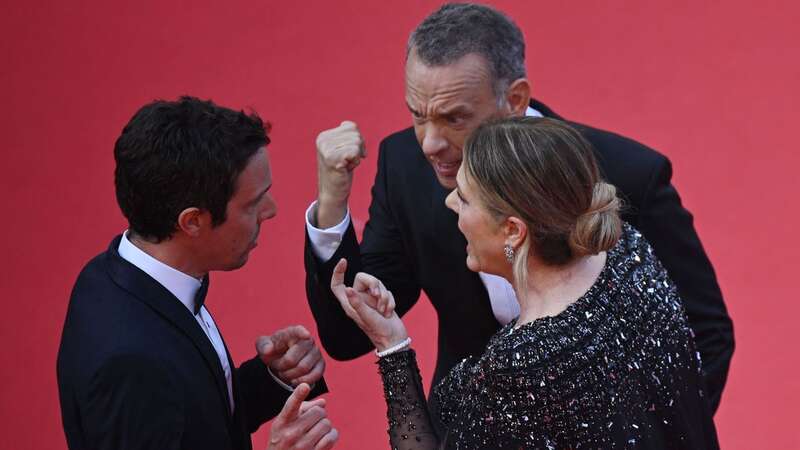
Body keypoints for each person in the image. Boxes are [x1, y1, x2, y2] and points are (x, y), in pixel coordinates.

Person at [304, 3, 733, 419]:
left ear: (514, 98)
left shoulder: (626, 174)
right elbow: (348, 336)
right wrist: (331, 206)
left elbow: (705, 334)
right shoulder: (404, 168)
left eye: (454, 118)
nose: (430, 144)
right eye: (418, 115)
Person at [332, 117, 720, 449]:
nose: (450, 204)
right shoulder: (630, 254)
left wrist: (391, 346)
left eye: (464, 199)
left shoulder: (518, 368)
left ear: (513, 231)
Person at [57, 97, 338, 450]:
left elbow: (184, 420)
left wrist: (273, 379)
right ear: (192, 221)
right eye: (252, 203)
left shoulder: (112, 274)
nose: (272, 210)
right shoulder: (129, 364)